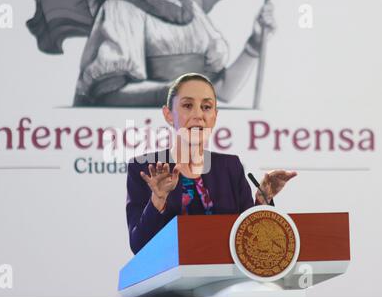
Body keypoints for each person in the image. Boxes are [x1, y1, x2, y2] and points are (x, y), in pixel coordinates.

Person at [126, 73, 296, 254]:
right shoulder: (144, 167)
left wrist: (263, 201)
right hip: (170, 280)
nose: (198, 115)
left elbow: (251, 240)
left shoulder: (230, 167)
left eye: (206, 107)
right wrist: (157, 200)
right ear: (168, 115)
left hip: (226, 279)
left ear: (215, 116)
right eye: (188, 106)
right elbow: (139, 246)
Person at [27, 0, 276, 107]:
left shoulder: (192, 11)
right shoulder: (121, 7)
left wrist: (254, 44)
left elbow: (223, 91)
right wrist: (178, 94)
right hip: (144, 146)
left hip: (191, 150)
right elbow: (108, 96)